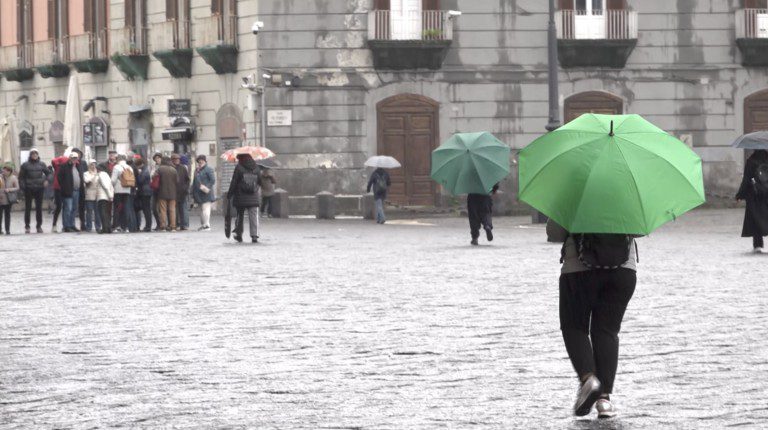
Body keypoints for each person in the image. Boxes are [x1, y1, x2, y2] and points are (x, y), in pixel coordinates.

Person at [553, 224, 638, 419]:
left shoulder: (571, 192)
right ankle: (604, 401)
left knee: (574, 326)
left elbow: (555, 232)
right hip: (623, 270)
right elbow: (639, 230)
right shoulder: (627, 194)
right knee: (606, 331)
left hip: (577, 270)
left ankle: (588, 378)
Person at [736, 149, 768, 253]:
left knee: (756, 221)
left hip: (754, 196)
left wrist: (739, 195)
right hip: (766, 194)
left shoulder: (751, 161)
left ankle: (758, 245)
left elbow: (746, 180)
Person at [227, 154, 261, 242]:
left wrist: (229, 194)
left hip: (240, 196)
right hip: (253, 196)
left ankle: (238, 234)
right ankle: (254, 235)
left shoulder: (239, 168)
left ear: (241, 159)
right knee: (254, 216)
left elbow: (234, 182)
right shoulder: (256, 168)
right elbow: (260, 181)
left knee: (239, 216)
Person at [18, 148, 50, 234]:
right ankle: (27, 226)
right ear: (30, 155)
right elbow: (21, 177)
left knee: (39, 208)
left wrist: (47, 180)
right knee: (28, 208)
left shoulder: (42, 164)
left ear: (38, 155)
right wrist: (23, 187)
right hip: (29, 188)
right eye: (33, 154)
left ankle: (39, 226)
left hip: (39, 188)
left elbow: (49, 173)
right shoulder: (25, 165)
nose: (34, 155)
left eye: (36, 154)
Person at [57, 151, 84, 232]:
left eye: (76, 158)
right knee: (68, 208)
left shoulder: (78, 166)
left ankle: (72, 225)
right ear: (70, 158)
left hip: (77, 190)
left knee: (74, 209)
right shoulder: (64, 166)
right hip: (68, 191)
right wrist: (64, 187)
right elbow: (59, 177)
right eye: (73, 158)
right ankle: (66, 226)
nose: (74, 160)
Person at [111, 154, 134, 232]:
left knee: (117, 208)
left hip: (118, 190)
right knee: (126, 208)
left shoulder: (116, 167)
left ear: (118, 159)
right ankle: (126, 227)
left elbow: (113, 180)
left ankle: (117, 226)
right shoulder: (129, 167)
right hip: (127, 190)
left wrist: (111, 186)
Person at [192, 155, 216, 231]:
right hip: (198, 193)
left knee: (206, 209)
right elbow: (194, 182)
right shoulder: (196, 170)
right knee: (201, 210)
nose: (200, 162)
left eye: (202, 160)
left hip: (206, 192)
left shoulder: (209, 169)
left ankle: (207, 225)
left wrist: (206, 187)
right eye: (199, 161)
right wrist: (192, 191)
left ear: (205, 161)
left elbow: (212, 180)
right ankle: (203, 225)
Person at [156, 156, 178, 232]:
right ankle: (173, 226)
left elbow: (154, 178)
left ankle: (163, 226)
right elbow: (177, 181)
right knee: (172, 210)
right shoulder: (174, 169)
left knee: (163, 210)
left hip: (162, 192)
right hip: (172, 193)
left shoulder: (160, 169)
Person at [50, 153, 69, 233]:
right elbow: (53, 160)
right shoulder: (57, 167)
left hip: (67, 188)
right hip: (58, 188)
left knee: (67, 207)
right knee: (58, 207)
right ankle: (54, 225)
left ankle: (66, 225)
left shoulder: (69, 167)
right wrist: (61, 158)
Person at [171, 154, 191, 230]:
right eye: (175, 159)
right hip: (173, 192)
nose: (177, 160)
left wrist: (186, 188)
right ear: (172, 160)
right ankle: (176, 224)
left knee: (183, 209)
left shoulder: (182, 168)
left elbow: (187, 179)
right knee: (175, 209)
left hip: (182, 192)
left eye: (178, 159)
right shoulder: (171, 168)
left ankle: (185, 224)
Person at [134, 158, 153, 232]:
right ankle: (148, 225)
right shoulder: (145, 170)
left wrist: (138, 174)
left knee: (146, 210)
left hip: (145, 192)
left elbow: (140, 180)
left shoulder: (144, 171)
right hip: (146, 191)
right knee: (146, 210)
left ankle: (148, 226)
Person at [82, 160, 102, 233]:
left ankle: (98, 226)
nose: (93, 166)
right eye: (91, 164)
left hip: (98, 194)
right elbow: (87, 181)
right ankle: (89, 227)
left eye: (94, 164)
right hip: (89, 194)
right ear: (89, 166)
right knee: (89, 212)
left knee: (98, 212)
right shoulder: (86, 173)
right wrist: (94, 175)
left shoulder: (99, 173)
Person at [0, 165, 20, 235]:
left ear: (9, 171)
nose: (3, 172)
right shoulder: (0, 177)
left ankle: (7, 229)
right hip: (0, 198)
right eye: (3, 170)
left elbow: (17, 187)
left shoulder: (13, 178)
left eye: (5, 171)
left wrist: (9, 189)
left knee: (7, 214)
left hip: (8, 198)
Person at [95, 164, 114, 234]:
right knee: (106, 213)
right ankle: (108, 228)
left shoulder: (101, 175)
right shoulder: (107, 175)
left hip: (102, 196)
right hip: (107, 197)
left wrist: (110, 196)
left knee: (103, 213)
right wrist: (111, 195)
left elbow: (105, 186)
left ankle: (105, 228)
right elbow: (111, 186)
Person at [150, 152, 163, 230]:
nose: (157, 160)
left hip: (162, 190)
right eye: (155, 159)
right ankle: (158, 223)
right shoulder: (154, 167)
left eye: (158, 158)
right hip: (155, 189)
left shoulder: (164, 166)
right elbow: (151, 176)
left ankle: (162, 224)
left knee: (161, 208)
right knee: (154, 208)